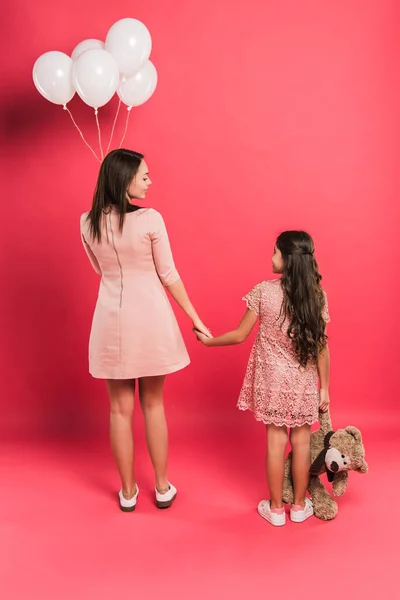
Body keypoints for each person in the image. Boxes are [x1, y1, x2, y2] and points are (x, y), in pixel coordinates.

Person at [80, 149, 211, 512]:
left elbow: (99, 269)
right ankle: (163, 486)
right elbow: (167, 274)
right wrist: (195, 318)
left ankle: (127, 492)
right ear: (125, 181)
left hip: (110, 321)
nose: (150, 181)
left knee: (118, 410)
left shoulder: (86, 222)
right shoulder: (151, 219)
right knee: (153, 404)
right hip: (150, 319)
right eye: (145, 176)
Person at [195, 231, 330, 526]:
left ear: (287, 259)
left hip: (271, 380)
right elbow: (321, 347)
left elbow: (240, 335)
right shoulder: (316, 296)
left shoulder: (263, 291)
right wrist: (325, 389)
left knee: (274, 442)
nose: (271, 257)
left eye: (275, 252)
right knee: (302, 442)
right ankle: (297, 506)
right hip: (303, 382)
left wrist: (210, 341)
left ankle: (274, 509)